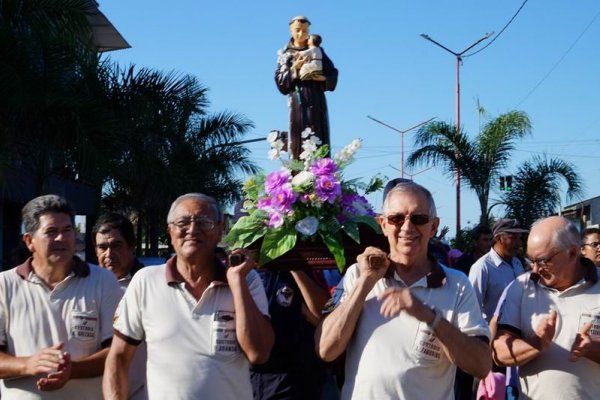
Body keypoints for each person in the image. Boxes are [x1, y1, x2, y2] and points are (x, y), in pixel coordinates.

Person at [315, 181, 491, 400]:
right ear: (383, 224)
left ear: (433, 226)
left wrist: (430, 317)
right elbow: (326, 349)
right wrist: (366, 282)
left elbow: (482, 366)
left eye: (418, 219)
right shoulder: (357, 274)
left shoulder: (457, 283)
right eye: (397, 218)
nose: (407, 227)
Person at [103, 193, 274, 399]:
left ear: (221, 230)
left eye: (204, 222)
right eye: (183, 222)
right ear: (170, 231)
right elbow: (119, 357)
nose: (192, 230)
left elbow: (259, 353)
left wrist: (236, 282)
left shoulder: (246, 280)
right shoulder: (146, 281)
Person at [0, 194, 123, 399]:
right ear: (29, 241)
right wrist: (27, 365)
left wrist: (72, 370)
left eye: (67, 230)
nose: (61, 238)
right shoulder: (4, 285)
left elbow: (118, 352)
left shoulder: (103, 281)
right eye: (51, 231)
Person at [492, 216, 600, 399]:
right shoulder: (521, 287)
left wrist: (592, 349)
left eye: (543, 260)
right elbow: (499, 352)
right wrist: (536, 344)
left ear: (573, 253)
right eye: (530, 260)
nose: (534, 270)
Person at [92, 213, 147, 400]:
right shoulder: (84, 286)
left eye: (116, 245)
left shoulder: (149, 286)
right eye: (102, 247)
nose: (108, 254)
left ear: (132, 247)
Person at [275, 16, 338, 159]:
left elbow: (332, 72)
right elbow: (280, 82)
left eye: (304, 31)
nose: (301, 34)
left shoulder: (317, 50)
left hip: (316, 99)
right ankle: (298, 171)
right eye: (297, 31)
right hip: (298, 101)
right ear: (291, 31)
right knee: (298, 135)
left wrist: (322, 78)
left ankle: (321, 171)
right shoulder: (286, 54)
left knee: (319, 133)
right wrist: (294, 70)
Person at [468, 219, 527, 322]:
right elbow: (472, 307)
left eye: (519, 238)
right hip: (494, 334)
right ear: (499, 238)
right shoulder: (482, 267)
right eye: (513, 238)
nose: (518, 243)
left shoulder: (517, 263)